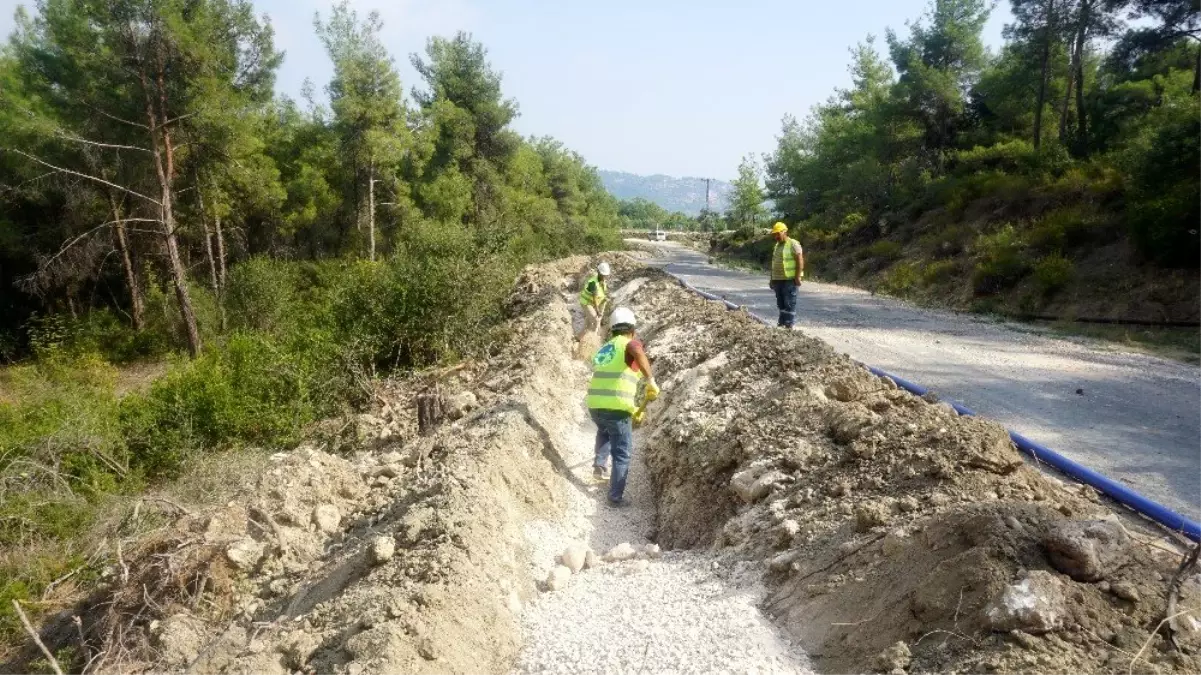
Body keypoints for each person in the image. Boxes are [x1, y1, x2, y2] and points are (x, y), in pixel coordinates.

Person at [585, 306, 659, 508]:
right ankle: (615, 497)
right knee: (622, 453)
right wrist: (650, 380)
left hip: (595, 405)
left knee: (604, 431)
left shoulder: (605, 348)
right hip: (616, 407)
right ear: (632, 330)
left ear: (612, 329)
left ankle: (599, 465)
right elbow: (636, 350)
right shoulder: (630, 343)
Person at [768, 222, 804, 329]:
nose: (776, 236)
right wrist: (771, 279)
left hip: (790, 279)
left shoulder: (793, 244)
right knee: (781, 303)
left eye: (777, 234)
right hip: (778, 279)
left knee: (789, 303)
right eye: (774, 234)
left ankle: (789, 325)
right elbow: (774, 263)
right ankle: (782, 323)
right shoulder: (777, 246)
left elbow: (800, 261)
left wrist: (797, 277)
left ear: (784, 232)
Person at [576, 262, 611, 341]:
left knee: (589, 322)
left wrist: (604, 299)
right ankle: (591, 340)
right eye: (603, 275)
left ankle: (580, 338)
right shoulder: (593, 283)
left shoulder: (602, 281)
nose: (604, 277)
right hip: (587, 303)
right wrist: (598, 310)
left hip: (594, 303)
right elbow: (594, 298)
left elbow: (602, 292)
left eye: (605, 275)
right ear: (598, 272)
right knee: (595, 321)